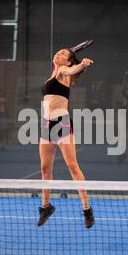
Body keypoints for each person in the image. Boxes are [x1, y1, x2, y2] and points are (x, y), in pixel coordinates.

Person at [38, 48, 95, 229]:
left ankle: (87, 209)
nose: (58, 54)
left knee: (72, 166)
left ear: (69, 61)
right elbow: (59, 64)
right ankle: (46, 207)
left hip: (61, 124)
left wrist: (81, 65)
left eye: (63, 54)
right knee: (45, 169)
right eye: (58, 52)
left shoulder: (64, 72)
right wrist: (63, 59)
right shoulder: (55, 70)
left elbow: (71, 70)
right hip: (46, 125)